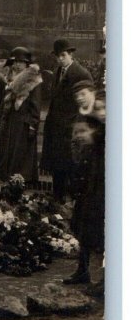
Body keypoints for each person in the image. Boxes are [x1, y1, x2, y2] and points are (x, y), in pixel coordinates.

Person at [63, 79, 105, 290]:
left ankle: (108, 279)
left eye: (83, 93)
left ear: (92, 93)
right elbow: (76, 143)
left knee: (102, 226)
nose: (80, 97)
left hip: (101, 176)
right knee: (82, 222)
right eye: (77, 95)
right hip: (85, 176)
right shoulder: (81, 115)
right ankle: (83, 270)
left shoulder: (101, 114)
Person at [40, 39, 93, 203]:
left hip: (71, 127)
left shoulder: (81, 73)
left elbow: (87, 104)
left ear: (71, 54)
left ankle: (72, 202)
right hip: (56, 126)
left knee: (71, 166)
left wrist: (77, 125)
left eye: (63, 55)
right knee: (57, 166)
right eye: (57, 56)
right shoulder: (58, 71)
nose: (60, 59)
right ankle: (57, 199)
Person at [0, 47, 42, 184]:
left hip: (23, 122)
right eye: (15, 62)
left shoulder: (33, 80)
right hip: (9, 121)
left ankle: (18, 185)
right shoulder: (10, 78)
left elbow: (36, 105)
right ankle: (5, 183)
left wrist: (33, 124)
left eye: (21, 62)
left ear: (27, 64)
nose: (17, 65)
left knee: (20, 159)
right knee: (5, 156)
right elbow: (4, 103)